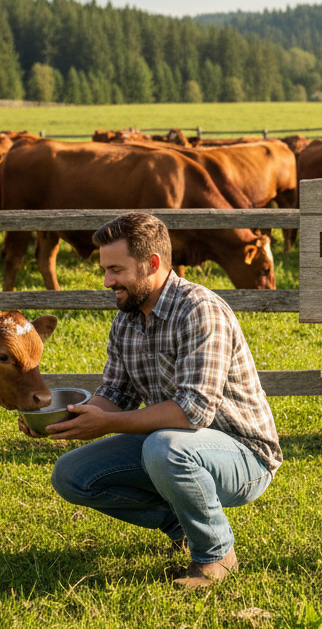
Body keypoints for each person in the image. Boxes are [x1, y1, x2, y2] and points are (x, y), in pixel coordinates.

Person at [26, 211, 282, 589]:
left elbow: (193, 412)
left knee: (165, 449)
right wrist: (65, 418)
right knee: (71, 476)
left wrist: (108, 424)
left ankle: (216, 555)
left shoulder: (199, 309)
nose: (107, 281)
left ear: (153, 264)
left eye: (116, 269)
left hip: (243, 453)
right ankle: (181, 521)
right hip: (171, 444)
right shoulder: (127, 318)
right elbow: (116, 393)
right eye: (105, 270)